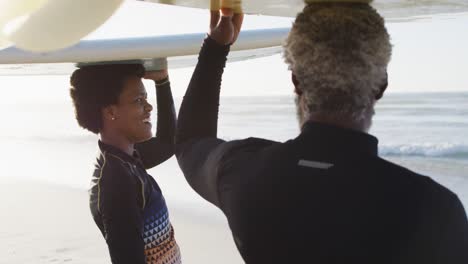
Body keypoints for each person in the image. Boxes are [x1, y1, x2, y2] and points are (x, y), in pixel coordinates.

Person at [175, 3, 468, 263]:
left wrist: (216, 47)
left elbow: (190, 142)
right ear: (381, 85)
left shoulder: (243, 173)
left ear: (296, 81)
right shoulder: (434, 210)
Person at [69, 62, 181, 263]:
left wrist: (162, 81)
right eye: (139, 100)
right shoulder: (116, 183)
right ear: (111, 112)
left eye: (146, 98)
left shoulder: (124, 157)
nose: (149, 107)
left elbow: (167, 143)